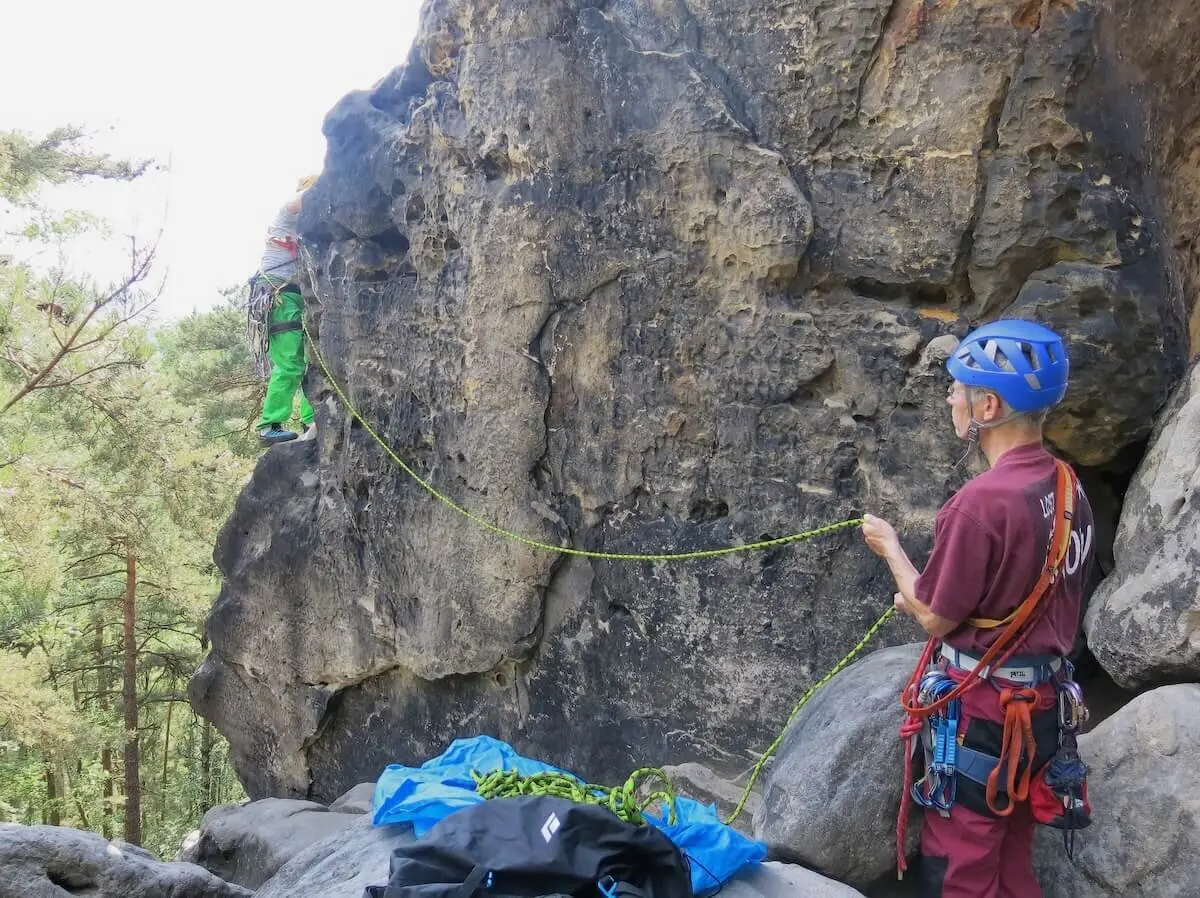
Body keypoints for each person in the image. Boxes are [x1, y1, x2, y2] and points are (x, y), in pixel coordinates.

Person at [861, 319, 1095, 898]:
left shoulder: (981, 504)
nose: (950, 397)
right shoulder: (1067, 486)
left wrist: (892, 549)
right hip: (1043, 712)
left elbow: (937, 615)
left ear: (988, 405)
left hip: (985, 717)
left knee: (960, 865)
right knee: (1014, 861)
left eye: (959, 387)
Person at [251, 175, 318, 446]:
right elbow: (293, 203)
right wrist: (325, 187)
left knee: (308, 360)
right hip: (277, 294)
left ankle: (309, 418)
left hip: (293, 295)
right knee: (290, 362)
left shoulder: (307, 229)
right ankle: (269, 424)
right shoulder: (286, 217)